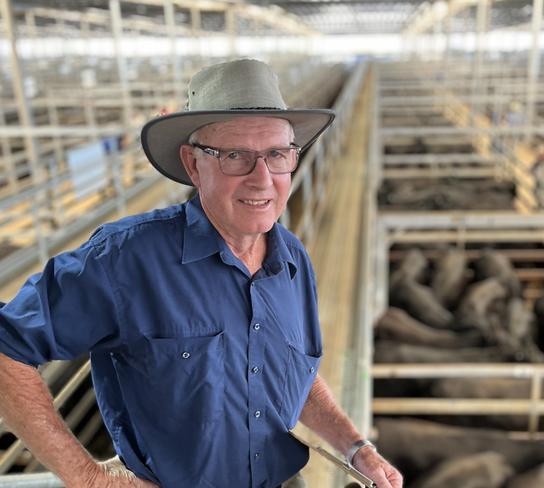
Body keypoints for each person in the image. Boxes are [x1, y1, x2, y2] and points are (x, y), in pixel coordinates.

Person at [0, 59, 403, 488]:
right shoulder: (126, 259)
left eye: (277, 155)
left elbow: (295, 375)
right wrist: (89, 479)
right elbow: (7, 346)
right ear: (193, 165)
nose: (262, 180)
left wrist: (356, 446)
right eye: (235, 157)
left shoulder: (292, 259)